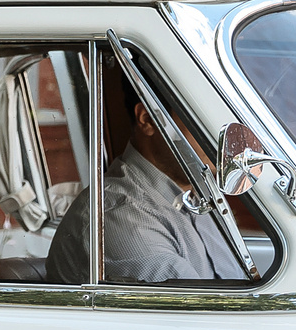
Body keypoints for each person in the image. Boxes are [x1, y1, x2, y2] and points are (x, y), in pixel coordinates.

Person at [44, 90, 241, 284]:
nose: (221, 137)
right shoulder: (120, 215)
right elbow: (197, 305)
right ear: (148, 120)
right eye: (202, 120)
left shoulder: (201, 195)